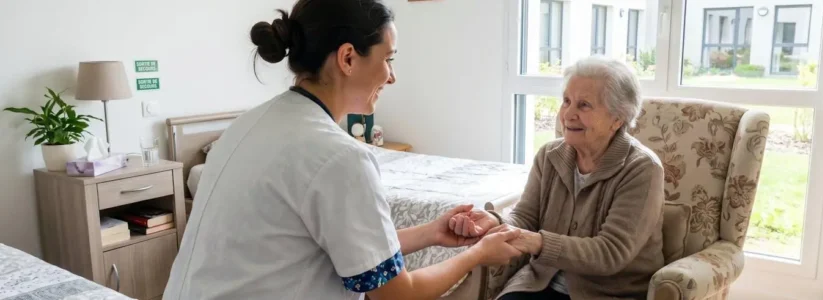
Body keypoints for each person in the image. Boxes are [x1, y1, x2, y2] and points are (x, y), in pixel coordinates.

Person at [162, 1, 523, 299]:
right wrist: (476, 255)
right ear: (348, 58)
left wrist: (431, 233)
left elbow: (338, 248)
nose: (392, 76)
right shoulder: (340, 158)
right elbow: (397, 295)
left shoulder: (247, 126)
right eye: (389, 59)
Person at [449, 57, 665, 300]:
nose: (568, 114)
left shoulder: (642, 169)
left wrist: (539, 243)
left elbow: (610, 253)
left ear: (617, 118)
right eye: (566, 101)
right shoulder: (549, 155)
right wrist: (493, 220)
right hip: (540, 284)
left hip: (608, 293)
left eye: (584, 105)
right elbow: (526, 217)